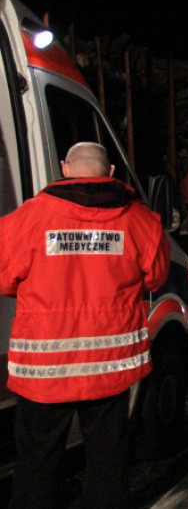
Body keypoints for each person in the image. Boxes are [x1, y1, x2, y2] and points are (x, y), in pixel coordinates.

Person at [0, 141, 170, 509]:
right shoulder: (140, 220)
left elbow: (4, 280)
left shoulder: (25, 219)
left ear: (64, 168)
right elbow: (156, 278)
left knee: (35, 467)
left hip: (42, 372)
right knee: (108, 465)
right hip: (108, 369)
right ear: (110, 173)